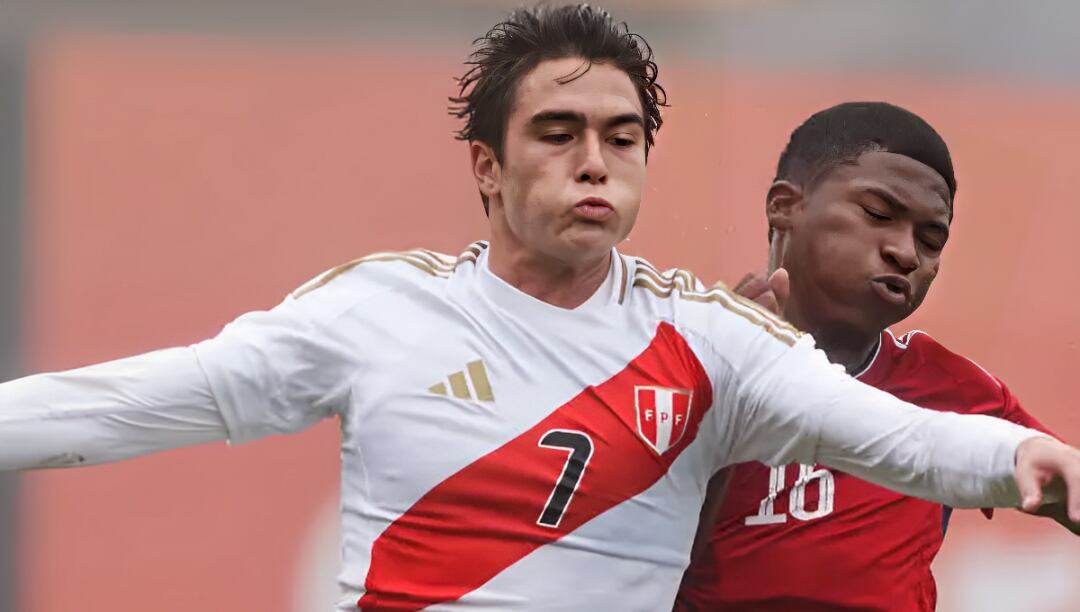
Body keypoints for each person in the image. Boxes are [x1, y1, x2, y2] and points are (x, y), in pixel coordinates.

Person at [1, 8, 1077, 611]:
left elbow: (905, 436)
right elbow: (134, 403)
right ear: (487, 164)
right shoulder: (376, 311)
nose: (594, 163)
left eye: (622, 138)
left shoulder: (712, 342)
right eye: (559, 133)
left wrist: (1026, 466)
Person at [676, 101, 1075, 612]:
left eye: (931, 241)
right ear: (784, 205)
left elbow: (1063, 484)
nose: (906, 254)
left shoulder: (955, 392)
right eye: (878, 215)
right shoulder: (676, 363)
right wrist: (725, 394)